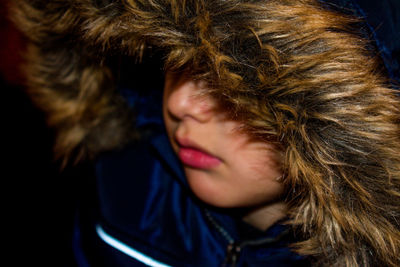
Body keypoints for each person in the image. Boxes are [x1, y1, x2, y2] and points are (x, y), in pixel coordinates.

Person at [13, 0, 400, 266]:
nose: (180, 103)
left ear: (334, 122)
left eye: (232, 84)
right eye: (175, 60)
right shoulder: (127, 187)